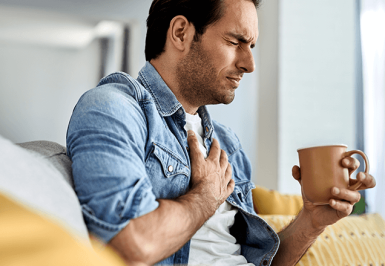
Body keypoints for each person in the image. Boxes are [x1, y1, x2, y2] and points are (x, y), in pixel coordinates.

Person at [66, 0, 377, 265]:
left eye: (251, 46)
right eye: (234, 42)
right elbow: (128, 245)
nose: (249, 64)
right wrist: (204, 199)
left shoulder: (226, 143)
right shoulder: (114, 109)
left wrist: (312, 220)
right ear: (181, 33)